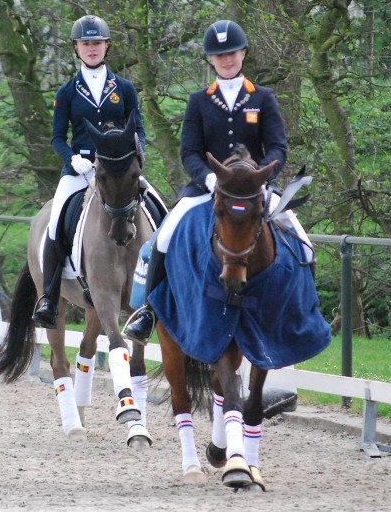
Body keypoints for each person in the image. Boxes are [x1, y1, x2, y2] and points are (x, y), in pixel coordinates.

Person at [123, 19, 312, 344]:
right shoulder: (199, 100)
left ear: (243, 54)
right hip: (207, 188)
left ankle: (301, 311)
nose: (227, 59)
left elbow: (278, 146)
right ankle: (147, 313)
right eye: (219, 54)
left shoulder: (263, 98)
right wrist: (209, 178)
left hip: (256, 188)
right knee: (163, 238)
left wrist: (260, 177)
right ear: (211, 59)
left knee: (304, 244)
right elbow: (190, 151)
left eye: (232, 53)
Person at [32, 14, 155, 328]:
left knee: (160, 210)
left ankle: (166, 282)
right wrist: (73, 159)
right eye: (86, 44)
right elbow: (57, 137)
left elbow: (138, 130)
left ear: (107, 46)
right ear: (76, 48)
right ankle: (48, 295)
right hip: (82, 168)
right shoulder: (67, 92)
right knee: (56, 220)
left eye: (97, 43)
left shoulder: (124, 88)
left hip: (120, 169)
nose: (92, 49)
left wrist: (137, 155)